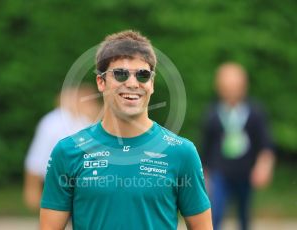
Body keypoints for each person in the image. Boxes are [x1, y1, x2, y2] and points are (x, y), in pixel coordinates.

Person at [40, 30, 212, 230]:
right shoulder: (68, 151)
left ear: (152, 84)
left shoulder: (182, 152)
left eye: (143, 75)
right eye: (120, 74)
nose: (132, 83)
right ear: (101, 82)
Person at [202, 62, 275, 230]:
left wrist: (264, 165)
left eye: (235, 86)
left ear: (244, 86)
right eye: (227, 86)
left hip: (246, 172)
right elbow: (206, 147)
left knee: (244, 214)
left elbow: (265, 143)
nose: (231, 91)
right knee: (216, 211)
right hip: (220, 173)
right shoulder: (212, 113)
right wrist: (205, 174)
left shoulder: (255, 112)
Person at [23, 84, 100, 211]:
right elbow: (37, 158)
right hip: (59, 184)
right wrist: (32, 189)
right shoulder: (53, 121)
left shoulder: (86, 121)